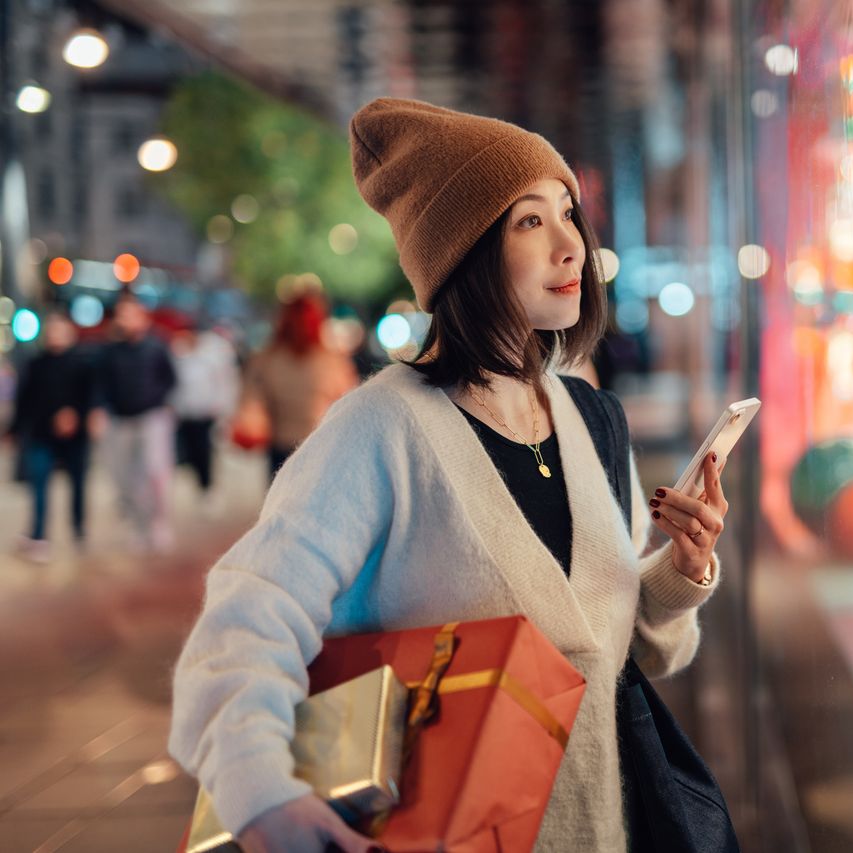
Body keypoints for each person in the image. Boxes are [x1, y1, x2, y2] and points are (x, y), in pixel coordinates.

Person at [169, 98, 730, 853]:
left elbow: (633, 650)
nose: (571, 246)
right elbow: (249, 612)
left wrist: (679, 572)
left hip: (612, 823)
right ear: (460, 250)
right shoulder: (382, 427)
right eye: (529, 221)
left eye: (569, 212)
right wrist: (263, 794)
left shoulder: (593, 417)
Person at [7, 312, 103, 561]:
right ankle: (39, 536)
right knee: (39, 485)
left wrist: (79, 417)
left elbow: (93, 397)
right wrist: (14, 431)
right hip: (42, 435)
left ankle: (78, 529)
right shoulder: (35, 364)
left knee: (78, 484)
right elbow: (24, 401)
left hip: (76, 436)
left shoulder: (84, 364)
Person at [239, 289, 358, 478]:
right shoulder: (332, 361)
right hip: (313, 447)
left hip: (296, 447)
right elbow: (349, 404)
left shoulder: (267, 359)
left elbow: (250, 399)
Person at [99, 292, 179, 552]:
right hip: (122, 420)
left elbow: (171, 379)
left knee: (155, 473)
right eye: (122, 314)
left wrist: (162, 401)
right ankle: (138, 527)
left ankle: (159, 524)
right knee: (127, 477)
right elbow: (103, 385)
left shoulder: (157, 346)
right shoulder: (111, 351)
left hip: (152, 417)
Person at [170, 325, 240, 501]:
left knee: (205, 450)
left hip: (206, 412)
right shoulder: (178, 356)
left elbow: (222, 383)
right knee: (191, 451)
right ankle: (200, 484)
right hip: (186, 413)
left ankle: (208, 486)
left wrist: (222, 406)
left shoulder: (210, 356)